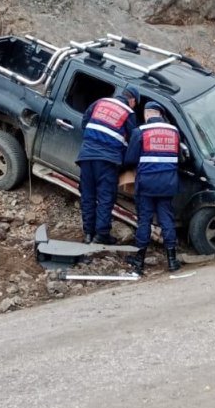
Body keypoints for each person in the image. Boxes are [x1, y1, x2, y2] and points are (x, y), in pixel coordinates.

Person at [123, 102, 182, 275]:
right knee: (167, 220)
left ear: (147, 114)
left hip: (147, 184)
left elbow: (130, 159)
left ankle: (139, 262)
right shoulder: (174, 132)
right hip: (168, 183)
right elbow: (178, 157)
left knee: (144, 221)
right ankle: (172, 260)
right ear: (160, 114)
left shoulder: (140, 132)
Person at [76, 85, 140, 245]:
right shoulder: (128, 113)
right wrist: (127, 162)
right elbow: (134, 141)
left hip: (87, 155)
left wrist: (94, 140)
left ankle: (88, 234)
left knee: (88, 195)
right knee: (105, 197)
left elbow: (84, 123)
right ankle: (102, 234)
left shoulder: (100, 102)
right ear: (132, 100)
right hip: (107, 160)